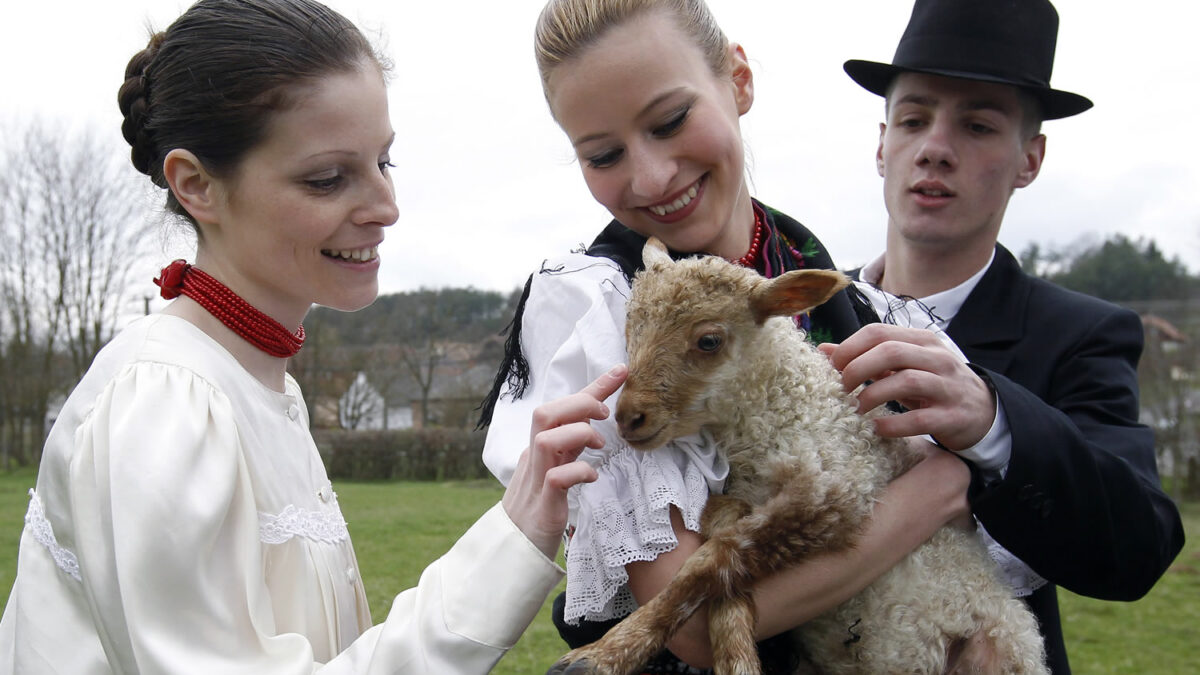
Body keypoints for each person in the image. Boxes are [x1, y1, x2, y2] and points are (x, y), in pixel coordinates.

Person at [0, 0, 626, 672]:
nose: (386, 206)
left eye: (385, 160)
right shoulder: (162, 403)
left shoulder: (259, 382)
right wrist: (512, 538)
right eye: (328, 178)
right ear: (196, 185)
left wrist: (520, 522)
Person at [478, 0, 974, 671]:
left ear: (738, 79)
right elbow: (694, 628)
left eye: (671, 120)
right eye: (602, 154)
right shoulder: (600, 306)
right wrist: (935, 491)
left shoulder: (833, 286)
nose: (651, 176)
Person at [828, 0, 1186, 672]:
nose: (935, 146)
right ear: (882, 144)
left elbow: (1139, 547)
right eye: (913, 119)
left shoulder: (1081, 334)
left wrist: (995, 423)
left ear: (1030, 158)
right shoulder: (805, 310)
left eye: (978, 124)